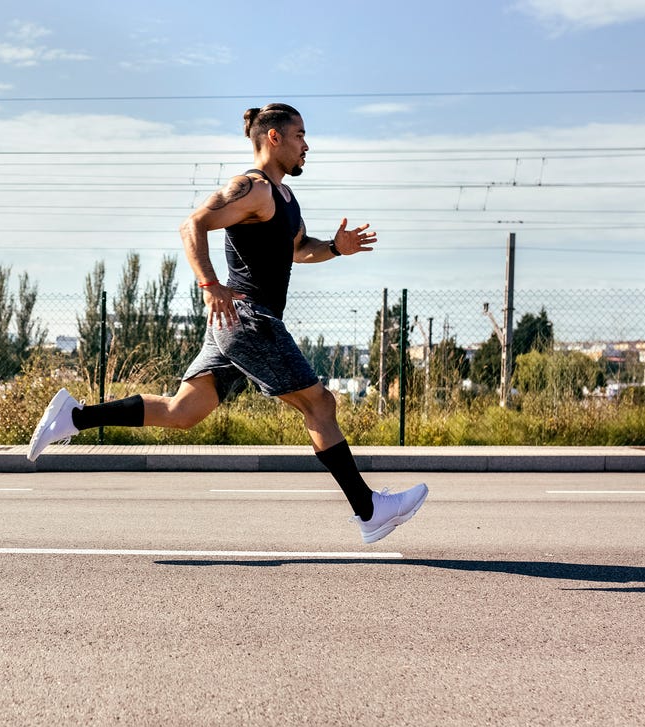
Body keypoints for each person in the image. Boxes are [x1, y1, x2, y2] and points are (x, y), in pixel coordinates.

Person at [28, 103, 427, 544]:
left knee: (183, 412)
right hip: (248, 319)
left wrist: (335, 247)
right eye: (299, 136)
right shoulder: (252, 188)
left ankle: (75, 417)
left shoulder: (284, 199)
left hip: (239, 324)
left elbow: (297, 249)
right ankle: (369, 511)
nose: (306, 145)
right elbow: (192, 225)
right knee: (321, 406)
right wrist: (209, 284)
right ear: (273, 137)